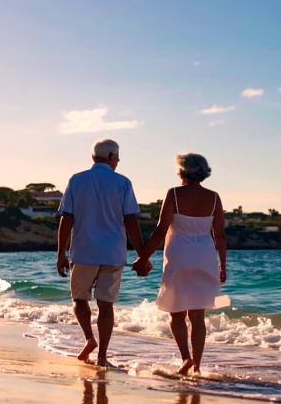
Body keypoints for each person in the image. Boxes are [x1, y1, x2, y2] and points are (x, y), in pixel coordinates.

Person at [56, 139, 147, 367]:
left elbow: (67, 219)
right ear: (111, 157)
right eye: (117, 158)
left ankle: (89, 338)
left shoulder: (77, 180)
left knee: (80, 299)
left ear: (93, 157)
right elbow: (131, 221)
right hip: (113, 253)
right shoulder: (123, 182)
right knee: (106, 305)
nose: (118, 161)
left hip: (83, 251)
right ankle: (102, 357)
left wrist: (61, 254)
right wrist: (143, 255)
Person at [137, 153, 227, 375]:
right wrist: (223, 266)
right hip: (205, 257)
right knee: (197, 315)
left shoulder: (174, 194)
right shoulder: (214, 198)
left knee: (176, 313)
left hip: (179, 256)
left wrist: (144, 257)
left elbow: (161, 230)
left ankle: (186, 358)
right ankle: (197, 366)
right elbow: (220, 236)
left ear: (182, 171)